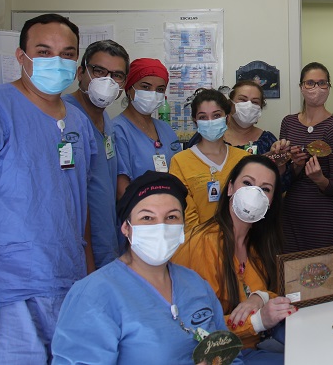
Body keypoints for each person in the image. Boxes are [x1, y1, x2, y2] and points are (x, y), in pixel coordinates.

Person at [0, 13, 98, 363]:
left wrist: (88, 283)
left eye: (67, 54)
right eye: (44, 51)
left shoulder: (78, 122)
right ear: (21, 57)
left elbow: (78, 205)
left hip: (66, 286)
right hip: (4, 292)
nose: (57, 61)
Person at [51, 171, 238, 364]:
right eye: (147, 218)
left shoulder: (196, 284)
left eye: (172, 217)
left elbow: (229, 354)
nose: (161, 227)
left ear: (182, 226)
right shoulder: (94, 295)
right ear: (126, 228)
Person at [173, 155, 295, 365]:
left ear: (271, 201)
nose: (254, 193)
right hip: (214, 355)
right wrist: (257, 321)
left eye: (265, 189)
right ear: (230, 188)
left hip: (251, 345)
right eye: (247, 183)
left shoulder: (258, 244)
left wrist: (260, 297)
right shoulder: (203, 244)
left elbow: (276, 293)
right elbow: (199, 329)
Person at [276, 62, 333, 288]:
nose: (316, 88)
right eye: (310, 83)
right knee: (293, 287)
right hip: (292, 218)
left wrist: (320, 179)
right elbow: (283, 178)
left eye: (322, 83)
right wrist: (295, 167)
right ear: (301, 86)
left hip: (324, 221)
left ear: (329, 87)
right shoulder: (288, 123)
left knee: (325, 287)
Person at [64, 39, 130, 269]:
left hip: (106, 239)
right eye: (99, 71)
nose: (107, 81)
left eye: (116, 75)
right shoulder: (65, 118)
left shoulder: (105, 120)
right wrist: (88, 261)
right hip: (79, 247)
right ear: (81, 72)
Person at [170, 88, 249, 230]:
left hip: (239, 238)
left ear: (227, 118)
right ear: (195, 121)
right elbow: (185, 214)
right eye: (203, 117)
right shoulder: (180, 161)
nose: (210, 121)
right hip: (198, 240)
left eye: (216, 115)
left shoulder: (244, 159)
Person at [114, 58, 181, 199]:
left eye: (160, 90)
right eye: (145, 87)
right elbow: (121, 189)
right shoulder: (117, 130)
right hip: (137, 209)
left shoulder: (165, 129)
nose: (153, 94)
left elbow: (180, 172)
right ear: (129, 88)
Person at [187, 81, 277, 155]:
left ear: (260, 108)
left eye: (255, 102)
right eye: (242, 100)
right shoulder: (210, 135)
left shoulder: (267, 140)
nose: (248, 106)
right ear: (230, 104)